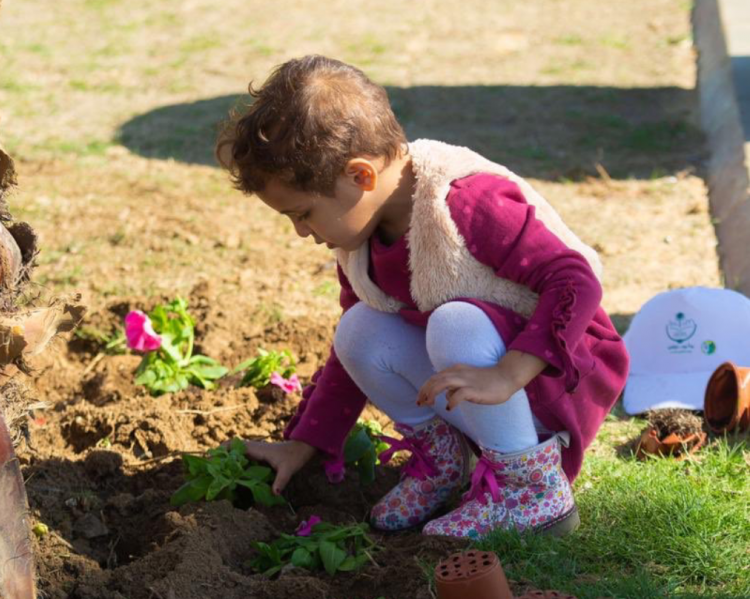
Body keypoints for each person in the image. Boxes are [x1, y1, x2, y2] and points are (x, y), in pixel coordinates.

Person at [216, 55, 629, 540]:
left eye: (303, 213)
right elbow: (354, 359)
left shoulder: (466, 203)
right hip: (489, 383)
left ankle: (532, 489)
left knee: (456, 323)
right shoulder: (361, 241)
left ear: (361, 176)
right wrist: (304, 442)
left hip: (560, 378)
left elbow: (576, 280)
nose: (301, 232)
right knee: (360, 329)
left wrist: (508, 373)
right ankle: (446, 465)